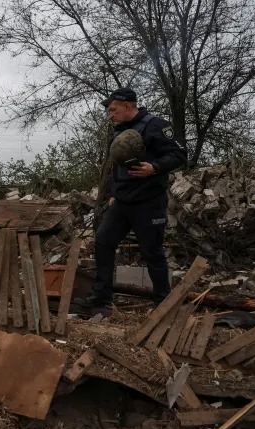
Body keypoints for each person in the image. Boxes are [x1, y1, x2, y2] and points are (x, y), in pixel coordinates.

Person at [75, 87, 187, 316]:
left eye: (113, 109)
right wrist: (115, 192)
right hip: (123, 201)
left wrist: (154, 168)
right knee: (103, 242)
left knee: (151, 251)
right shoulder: (119, 131)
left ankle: (163, 303)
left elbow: (179, 155)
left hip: (149, 201)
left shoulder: (156, 125)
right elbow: (118, 167)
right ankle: (102, 297)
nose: (110, 113)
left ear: (128, 106)